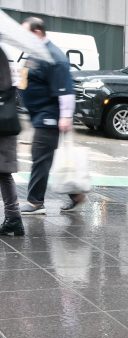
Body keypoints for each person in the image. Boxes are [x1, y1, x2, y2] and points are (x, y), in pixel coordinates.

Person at [18, 16, 85, 214]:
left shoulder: (54, 57)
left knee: (40, 156)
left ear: (37, 32)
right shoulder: (36, 53)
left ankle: (35, 202)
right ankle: (76, 194)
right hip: (39, 114)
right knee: (46, 156)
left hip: (49, 116)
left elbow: (66, 89)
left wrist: (66, 116)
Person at [0, 45, 20, 235]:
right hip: (4, 125)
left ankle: (14, 218)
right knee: (3, 173)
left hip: (2, 127)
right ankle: (13, 218)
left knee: (4, 173)